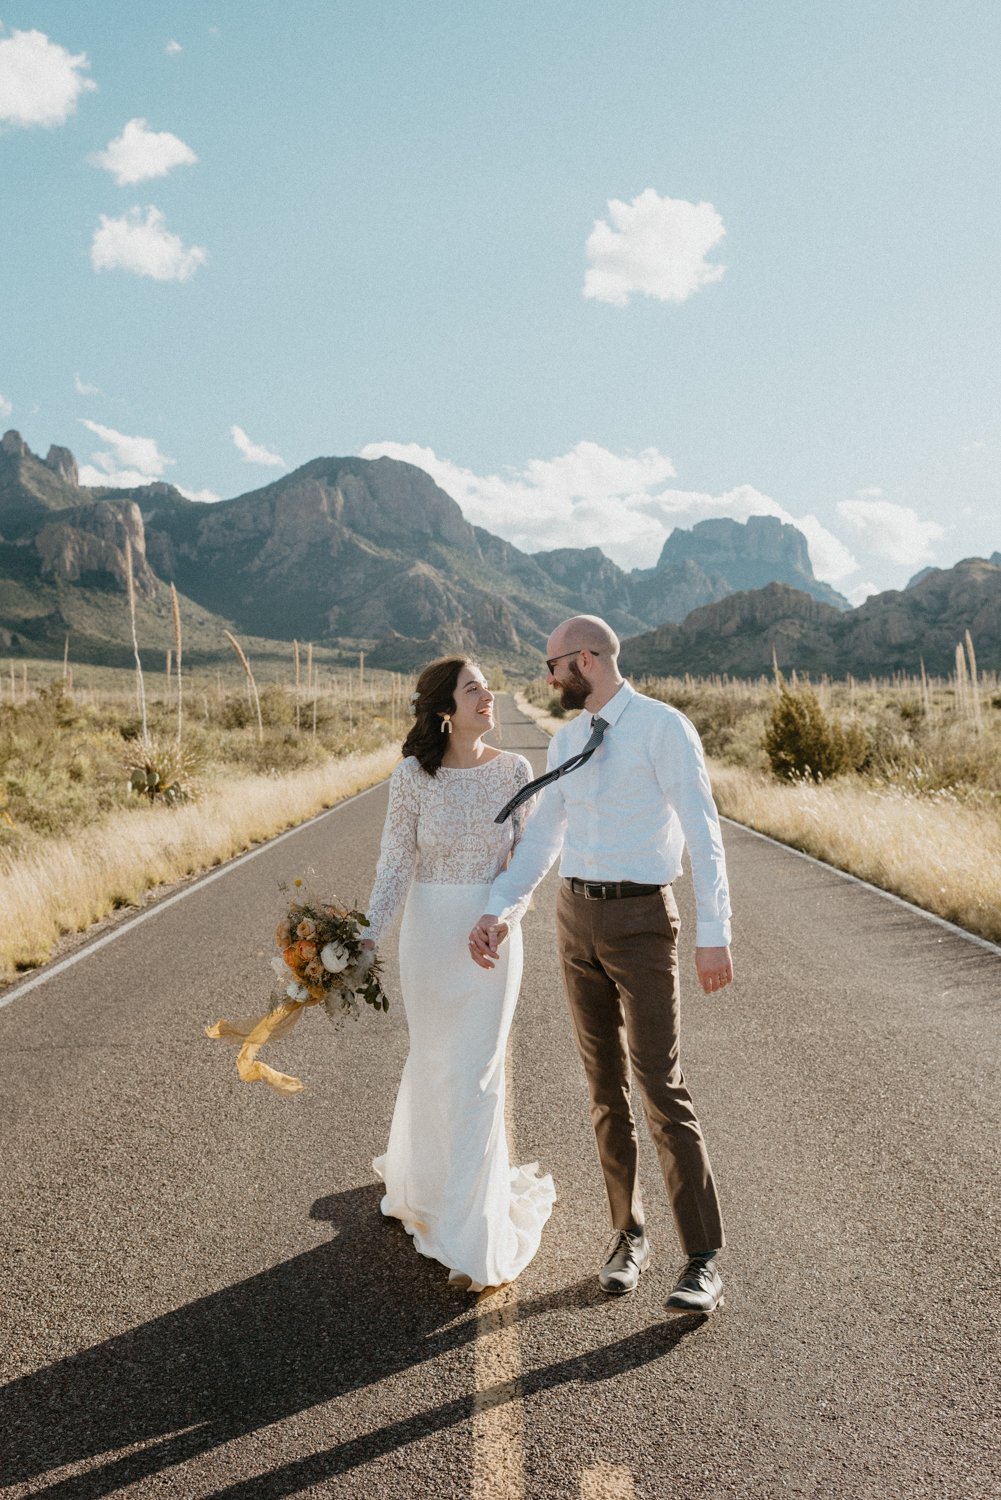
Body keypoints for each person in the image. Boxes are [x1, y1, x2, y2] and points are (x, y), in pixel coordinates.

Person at [469, 616, 733, 1315]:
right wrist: (501, 907)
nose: (549, 677)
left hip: (642, 920)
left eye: (554, 665)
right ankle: (626, 1235)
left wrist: (715, 931)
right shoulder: (566, 739)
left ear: (585, 658)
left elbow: (703, 832)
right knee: (602, 1087)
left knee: (658, 1084)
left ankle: (702, 1258)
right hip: (572, 918)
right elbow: (542, 841)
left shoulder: (661, 728)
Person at [364, 656, 556, 1291]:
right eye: (474, 688)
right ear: (446, 707)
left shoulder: (515, 770)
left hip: (490, 938)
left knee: (477, 1076)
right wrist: (363, 940)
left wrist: (502, 917)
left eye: (486, 686)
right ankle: (432, 1192)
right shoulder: (412, 778)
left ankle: (473, 1239)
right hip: (428, 935)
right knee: (436, 1062)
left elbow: (526, 862)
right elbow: (394, 865)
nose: (488, 695)